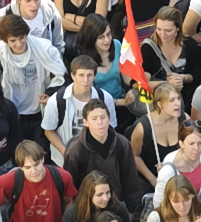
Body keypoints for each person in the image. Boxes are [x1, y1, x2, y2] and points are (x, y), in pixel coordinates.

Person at [0, 14, 65, 148]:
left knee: (41, 152)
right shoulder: (1, 53)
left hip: (39, 113)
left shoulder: (43, 47)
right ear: (5, 40)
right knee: (18, 154)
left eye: (22, 38)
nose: (19, 44)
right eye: (13, 40)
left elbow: (61, 74)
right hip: (15, 115)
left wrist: (49, 93)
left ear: (26, 34)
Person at [62, 100, 139, 213]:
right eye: (94, 119)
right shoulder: (75, 150)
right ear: (85, 122)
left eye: (103, 117)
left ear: (109, 118)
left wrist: (131, 210)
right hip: (88, 210)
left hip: (116, 206)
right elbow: (70, 187)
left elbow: (130, 179)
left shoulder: (122, 144)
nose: (100, 122)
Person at [42, 55, 116, 167]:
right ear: (73, 76)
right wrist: (66, 153)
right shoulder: (56, 100)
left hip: (97, 160)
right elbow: (49, 130)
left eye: (89, 75)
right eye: (81, 75)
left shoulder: (105, 98)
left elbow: (111, 128)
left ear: (95, 76)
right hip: (65, 161)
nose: (86, 80)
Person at [76, 14, 136, 126]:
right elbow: (90, 96)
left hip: (122, 100)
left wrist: (134, 86)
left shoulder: (116, 45)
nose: (107, 40)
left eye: (109, 34)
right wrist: (121, 102)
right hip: (100, 108)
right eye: (101, 37)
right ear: (91, 38)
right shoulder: (85, 60)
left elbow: (126, 76)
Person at [141, 7, 200, 112]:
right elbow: (140, 83)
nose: (162, 34)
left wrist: (184, 77)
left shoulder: (190, 44)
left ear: (178, 28)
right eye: (159, 29)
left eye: (168, 30)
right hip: (158, 104)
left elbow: (196, 75)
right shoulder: (148, 47)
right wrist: (167, 83)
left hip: (184, 103)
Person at [131, 83, 185, 194]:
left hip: (177, 179)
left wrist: (170, 163)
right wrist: (154, 181)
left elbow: (190, 148)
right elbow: (134, 156)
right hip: (148, 183)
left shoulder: (184, 119)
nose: (178, 103)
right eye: (172, 100)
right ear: (159, 104)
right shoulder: (143, 128)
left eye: (178, 98)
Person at [153, 123, 201, 208]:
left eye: (200, 143)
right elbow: (158, 204)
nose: (196, 148)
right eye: (191, 143)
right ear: (181, 144)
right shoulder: (168, 171)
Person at [62, 171, 132, 222]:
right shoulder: (71, 214)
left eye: (108, 192)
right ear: (88, 195)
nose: (106, 198)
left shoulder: (119, 208)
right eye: (99, 195)